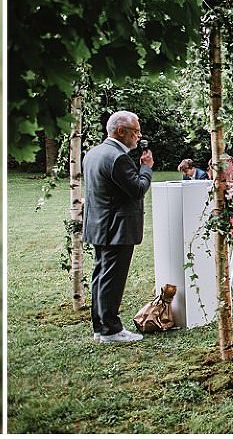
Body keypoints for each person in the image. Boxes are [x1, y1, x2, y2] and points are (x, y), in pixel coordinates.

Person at [82, 110, 154, 344]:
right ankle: (111, 330)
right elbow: (137, 189)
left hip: (98, 224)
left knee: (101, 277)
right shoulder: (118, 157)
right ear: (121, 131)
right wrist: (146, 168)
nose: (139, 136)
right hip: (117, 227)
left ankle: (100, 326)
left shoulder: (93, 153)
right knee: (112, 279)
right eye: (136, 131)